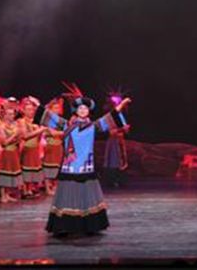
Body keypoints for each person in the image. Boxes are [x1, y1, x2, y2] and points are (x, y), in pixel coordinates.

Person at [40, 85, 131, 236]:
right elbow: (49, 117)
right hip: (70, 167)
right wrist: (37, 106)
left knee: (86, 195)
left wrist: (121, 105)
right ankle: (65, 225)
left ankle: (88, 225)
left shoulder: (93, 126)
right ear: (76, 111)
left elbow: (111, 117)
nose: (83, 110)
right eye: (80, 108)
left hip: (85, 167)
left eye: (85, 108)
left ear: (89, 111)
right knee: (68, 195)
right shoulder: (67, 125)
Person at [19, 97, 46, 198]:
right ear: (24, 110)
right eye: (28, 109)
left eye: (32, 109)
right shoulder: (22, 121)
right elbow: (25, 136)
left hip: (34, 147)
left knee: (32, 169)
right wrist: (40, 130)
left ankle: (30, 188)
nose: (31, 111)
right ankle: (25, 190)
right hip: (26, 148)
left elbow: (39, 137)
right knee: (26, 169)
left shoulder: (35, 121)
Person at [102, 94, 131, 188]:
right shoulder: (109, 115)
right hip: (113, 140)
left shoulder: (120, 115)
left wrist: (125, 129)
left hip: (120, 139)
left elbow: (125, 129)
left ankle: (120, 180)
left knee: (121, 160)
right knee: (113, 160)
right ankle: (111, 180)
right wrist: (122, 129)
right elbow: (111, 131)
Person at [0, 105, 23, 203]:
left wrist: (18, 137)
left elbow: (18, 140)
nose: (12, 116)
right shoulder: (1, 127)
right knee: (4, 173)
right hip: (6, 152)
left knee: (11, 173)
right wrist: (14, 135)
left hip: (14, 151)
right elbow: (4, 142)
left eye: (12, 114)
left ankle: (7, 194)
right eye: (9, 114)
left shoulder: (14, 126)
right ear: (5, 115)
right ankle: (2, 195)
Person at [42, 99, 65, 196]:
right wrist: (65, 132)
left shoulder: (60, 121)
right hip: (50, 146)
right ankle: (47, 188)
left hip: (58, 146)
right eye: (55, 108)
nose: (57, 110)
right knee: (48, 167)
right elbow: (52, 133)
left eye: (58, 108)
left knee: (57, 167)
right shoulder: (47, 120)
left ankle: (54, 186)